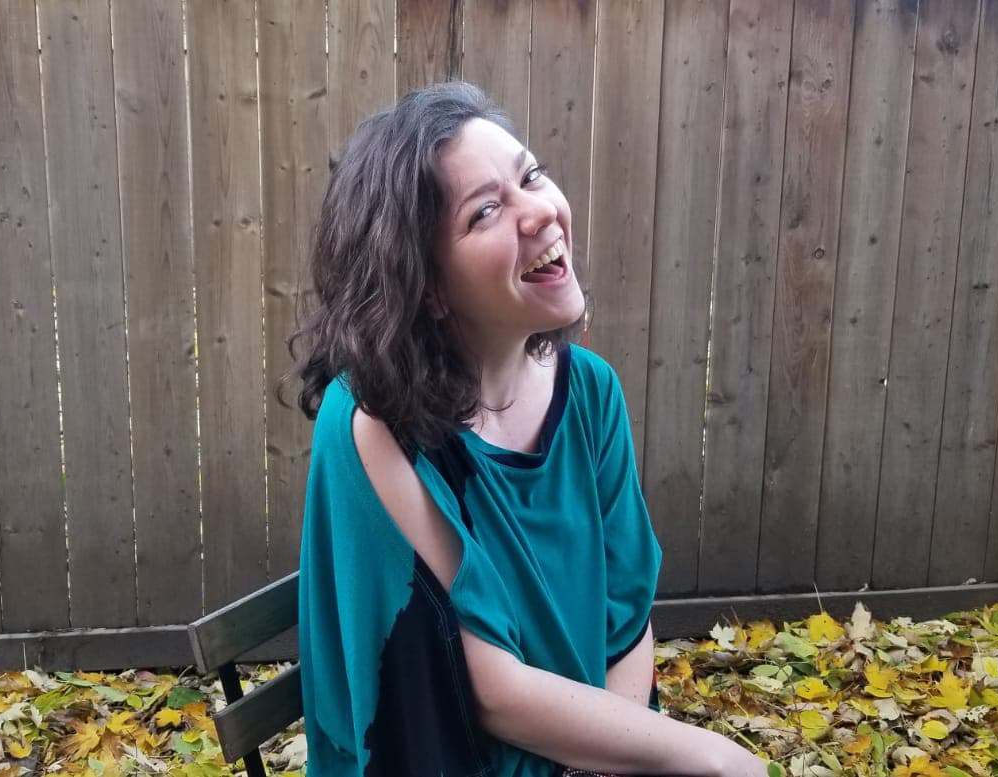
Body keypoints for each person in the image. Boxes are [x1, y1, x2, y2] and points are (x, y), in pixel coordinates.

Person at [290, 82, 768, 777]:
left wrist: (609, 761)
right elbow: (491, 692)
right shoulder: (376, 423)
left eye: (531, 176)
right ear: (426, 286)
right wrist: (715, 757)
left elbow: (624, 622)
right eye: (486, 211)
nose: (540, 211)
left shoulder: (591, 392)